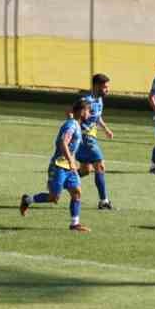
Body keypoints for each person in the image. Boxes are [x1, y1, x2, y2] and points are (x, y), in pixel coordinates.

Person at [21, 99, 93, 232]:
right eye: (88, 110)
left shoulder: (75, 123)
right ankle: (28, 200)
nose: (90, 113)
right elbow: (63, 143)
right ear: (82, 111)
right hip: (58, 165)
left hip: (69, 168)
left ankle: (74, 224)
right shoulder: (71, 125)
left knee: (76, 192)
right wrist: (71, 161)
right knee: (53, 197)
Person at [78, 73, 117, 211]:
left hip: (90, 137)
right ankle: (104, 201)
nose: (107, 90)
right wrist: (77, 131)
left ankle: (58, 181)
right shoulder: (86, 100)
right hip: (85, 139)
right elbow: (73, 114)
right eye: (105, 87)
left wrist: (106, 129)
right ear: (96, 86)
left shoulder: (99, 100)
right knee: (99, 166)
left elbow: (97, 117)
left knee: (85, 170)